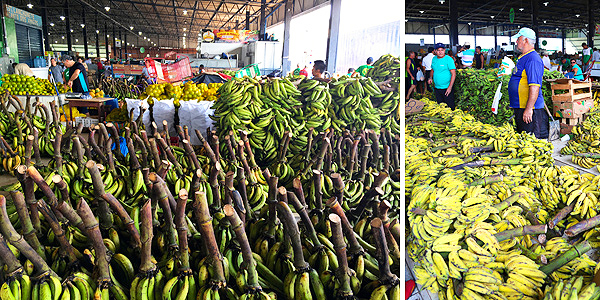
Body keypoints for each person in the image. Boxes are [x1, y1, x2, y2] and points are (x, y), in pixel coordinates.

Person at [508, 27, 548, 139]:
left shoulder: (533, 59)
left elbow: (534, 86)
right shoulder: (524, 57)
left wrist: (529, 109)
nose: (516, 41)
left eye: (518, 39)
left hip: (531, 111)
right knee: (523, 140)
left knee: (532, 142)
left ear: (525, 40)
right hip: (522, 106)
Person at [429, 43, 456, 110]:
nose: (440, 52)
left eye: (442, 50)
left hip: (447, 88)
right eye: (438, 50)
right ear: (435, 51)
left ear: (444, 50)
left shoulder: (449, 59)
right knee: (440, 108)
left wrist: (450, 87)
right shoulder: (434, 59)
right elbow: (432, 69)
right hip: (437, 88)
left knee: (450, 108)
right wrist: (430, 78)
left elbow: (453, 74)